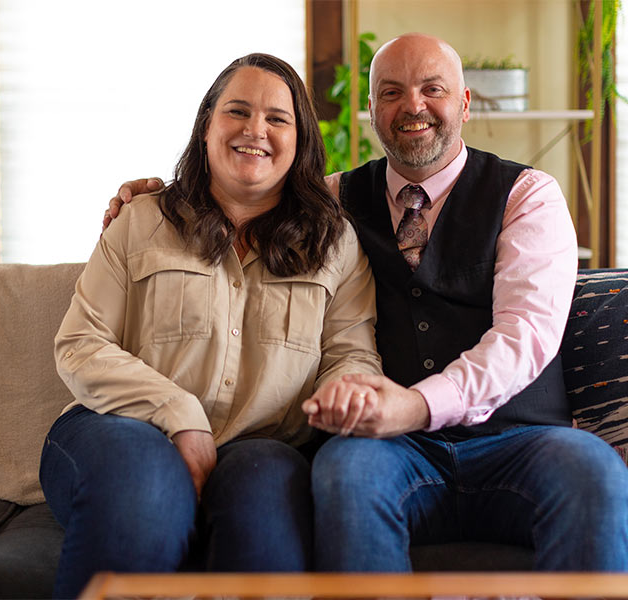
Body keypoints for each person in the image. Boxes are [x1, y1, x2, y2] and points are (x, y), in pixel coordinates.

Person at [108, 34, 628, 572]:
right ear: (371, 110)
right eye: (390, 92)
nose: (413, 106)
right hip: (388, 449)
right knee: (344, 471)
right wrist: (154, 199)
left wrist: (416, 405)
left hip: (521, 441)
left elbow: (525, 336)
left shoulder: (528, 196)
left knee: (595, 474)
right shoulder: (328, 202)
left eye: (433, 89)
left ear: (465, 103)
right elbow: (244, 184)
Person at [41, 53, 381, 598]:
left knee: (266, 525)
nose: (255, 130)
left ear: (301, 142)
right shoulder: (141, 219)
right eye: (237, 112)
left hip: (264, 442)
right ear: (206, 128)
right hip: (122, 429)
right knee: (146, 497)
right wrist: (180, 414)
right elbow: (81, 343)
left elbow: (351, 352)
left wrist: (347, 390)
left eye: (277, 118)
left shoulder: (335, 243)